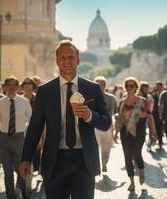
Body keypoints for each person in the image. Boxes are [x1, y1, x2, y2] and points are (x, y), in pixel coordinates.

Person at [20, 40, 111, 199]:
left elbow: (106, 122)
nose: (67, 61)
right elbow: (35, 127)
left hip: (84, 161)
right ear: (57, 61)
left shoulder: (93, 88)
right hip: (55, 161)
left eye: (71, 57)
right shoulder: (44, 91)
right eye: (62, 58)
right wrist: (26, 158)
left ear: (78, 60)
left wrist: (89, 115)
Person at [0, 76, 32, 199]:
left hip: (19, 139)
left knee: (20, 170)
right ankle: (11, 196)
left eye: (13, 85)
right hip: (4, 140)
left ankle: (25, 194)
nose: (11, 87)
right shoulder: (0, 103)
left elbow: (32, 120)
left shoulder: (24, 102)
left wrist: (26, 130)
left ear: (17, 87)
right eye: (8, 85)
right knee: (7, 171)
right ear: (4, 87)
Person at [114, 77, 157, 192]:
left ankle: (141, 170)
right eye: (127, 86)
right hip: (125, 132)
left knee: (137, 153)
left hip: (140, 131)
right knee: (127, 156)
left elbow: (150, 117)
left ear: (136, 88)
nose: (129, 88)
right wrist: (116, 132)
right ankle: (132, 182)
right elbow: (120, 120)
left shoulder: (143, 101)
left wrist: (154, 133)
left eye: (132, 86)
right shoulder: (122, 102)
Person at [94, 76, 117, 172]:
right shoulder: (90, 98)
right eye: (98, 84)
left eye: (103, 84)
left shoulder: (111, 98)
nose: (101, 86)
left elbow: (116, 112)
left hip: (108, 126)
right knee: (94, 147)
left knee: (106, 148)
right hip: (94, 126)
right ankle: (95, 167)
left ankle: (104, 164)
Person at [152, 81, 164, 149]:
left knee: (160, 129)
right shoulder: (154, 95)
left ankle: (160, 142)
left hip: (163, 115)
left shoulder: (164, 94)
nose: (159, 88)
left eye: (160, 86)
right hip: (155, 114)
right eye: (158, 86)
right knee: (155, 129)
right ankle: (155, 141)